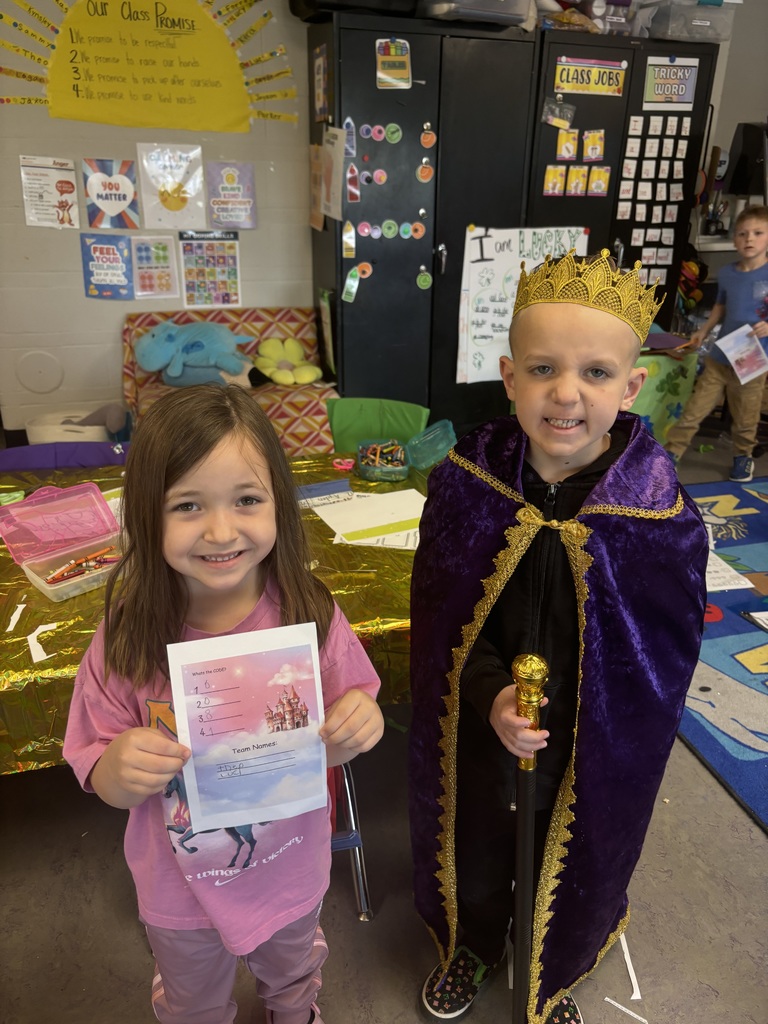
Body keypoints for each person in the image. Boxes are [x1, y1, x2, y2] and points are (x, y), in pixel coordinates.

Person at [409, 250, 708, 1024]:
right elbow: (442, 632)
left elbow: (659, 661)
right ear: (509, 378)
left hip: (586, 750)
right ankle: (474, 942)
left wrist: (591, 720)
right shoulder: (468, 482)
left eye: (596, 374)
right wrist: (491, 698)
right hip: (482, 734)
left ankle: (552, 973)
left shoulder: (656, 514)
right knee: (476, 851)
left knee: (567, 862)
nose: (566, 393)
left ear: (632, 386)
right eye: (543, 368)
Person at [64, 384, 384, 1024]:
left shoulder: (308, 611)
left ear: (278, 506)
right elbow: (96, 760)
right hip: (179, 890)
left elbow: (357, 698)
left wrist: (361, 722)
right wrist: (114, 771)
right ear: (145, 516)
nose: (220, 530)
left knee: (294, 980)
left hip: (292, 870)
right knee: (193, 1002)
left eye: (247, 499)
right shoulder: (126, 635)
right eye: (187, 505)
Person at [664, 204, 768, 483]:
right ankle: (671, 454)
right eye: (743, 233)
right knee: (695, 409)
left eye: (758, 233)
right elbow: (720, 306)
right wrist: (702, 331)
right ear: (734, 239)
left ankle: (742, 456)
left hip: (752, 361)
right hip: (721, 356)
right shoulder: (727, 274)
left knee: (746, 415)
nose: (749, 239)